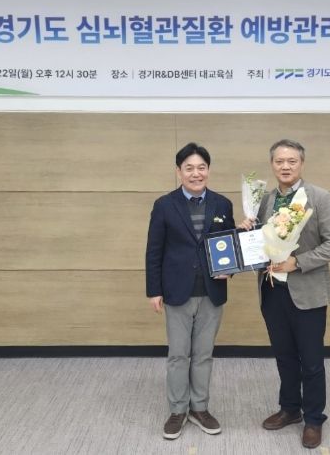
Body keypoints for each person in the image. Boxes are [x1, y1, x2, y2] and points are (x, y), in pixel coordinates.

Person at [240, 139, 330, 449]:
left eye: (291, 161)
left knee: (311, 360)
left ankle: (313, 419)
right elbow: (260, 243)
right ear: (272, 165)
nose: (285, 166)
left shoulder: (319, 197)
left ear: (301, 164)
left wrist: (296, 262)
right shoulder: (264, 200)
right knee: (284, 356)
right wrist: (245, 231)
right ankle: (290, 408)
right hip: (272, 291)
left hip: (307, 293)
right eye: (279, 161)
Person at [146, 142, 235, 440]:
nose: (196, 173)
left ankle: (199, 408)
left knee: (203, 354)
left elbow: (229, 245)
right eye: (189, 168)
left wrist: (231, 268)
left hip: (212, 291)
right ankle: (177, 410)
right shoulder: (164, 205)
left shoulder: (222, 204)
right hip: (176, 291)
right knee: (178, 354)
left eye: (201, 167)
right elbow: (154, 251)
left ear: (208, 170)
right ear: (179, 171)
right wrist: (154, 290)